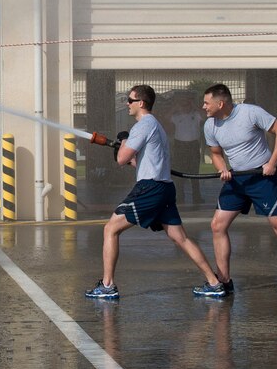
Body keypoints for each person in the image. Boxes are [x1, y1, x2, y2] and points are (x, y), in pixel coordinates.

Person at [84, 85, 224, 299]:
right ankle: (214, 283)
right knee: (181, 238)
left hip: (150, 188)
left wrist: (123, 142)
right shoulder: (154, 125)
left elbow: (122, 159)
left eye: (130, 100)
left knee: (110, 229)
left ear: (141, 103)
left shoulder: (143, 125)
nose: (127, 104)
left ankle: (107, 286)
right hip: (164, 187)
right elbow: (136, 161)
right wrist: (126, 147)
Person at [199, 83, 277, 298]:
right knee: (217, 226)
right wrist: (222, 168)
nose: (203, 106)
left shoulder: (251, 112)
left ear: (220, 103)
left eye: (206, 102)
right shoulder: (210, 125)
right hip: (236, 180)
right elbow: (215, 153)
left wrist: (272, 161)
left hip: (262, 178)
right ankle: (224, 281)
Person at [169, 94, 204, 204]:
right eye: (183, 105)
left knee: (194, 172)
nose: (185, 107)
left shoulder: (196, 115)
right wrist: (176, 107)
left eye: (187, 105)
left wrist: (193, 106)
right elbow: (166, 117)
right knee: (179, 172)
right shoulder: (177, 116)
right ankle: (180, 197)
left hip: (193, 145)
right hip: (180, 145)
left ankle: (196, 197)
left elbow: (204, 115)